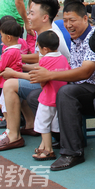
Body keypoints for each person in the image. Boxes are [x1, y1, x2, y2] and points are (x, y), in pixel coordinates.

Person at [27, 1, 95, 171]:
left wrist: (50, 75)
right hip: (77, 88)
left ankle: (73, 152)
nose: (68, 25)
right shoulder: (75, 39)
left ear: (85, 19)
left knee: (66, 92)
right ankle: (60, 138)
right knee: (35, 97)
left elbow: (86, 72)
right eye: (65, 20)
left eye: (72, 20)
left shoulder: (93, 37)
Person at [0, 0, 70, 152]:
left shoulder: (52, 37)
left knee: (11, 83)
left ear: (45, 17)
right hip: (48, 81)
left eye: (32, 13)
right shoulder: (45, 32)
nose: (28, 16)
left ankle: (13, 136)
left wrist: (16, 64)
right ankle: (30, 124)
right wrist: (19, 64)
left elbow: (45, 71)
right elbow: (41, 62)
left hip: (53, 85)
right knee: (13, 76)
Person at [32, 31, 69, 161]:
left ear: (45, 49)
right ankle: (44, 146)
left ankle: (48, 150)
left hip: (47, 98)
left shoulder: (45, 60)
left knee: (43, 124)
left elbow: (40, 79)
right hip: (59, 97)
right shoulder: (63, 58)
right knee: (52, 123)